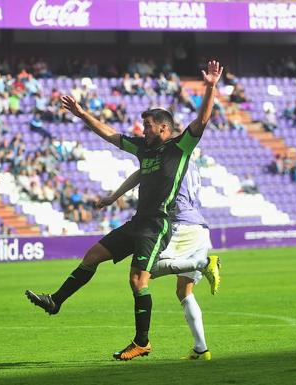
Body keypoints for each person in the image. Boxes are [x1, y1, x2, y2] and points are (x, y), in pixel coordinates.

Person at [25, 60, 223, 361]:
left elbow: (203, 119)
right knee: (92, 255)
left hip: (158, 224)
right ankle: (56, 300)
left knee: (138, 281)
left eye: (148, 126)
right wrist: (82, 115)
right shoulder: (143, 149)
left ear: (164, 128)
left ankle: (142, 342)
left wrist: (210, 87)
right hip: (138, 221)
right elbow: (110, 135)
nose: (143, 131)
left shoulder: (178, 148)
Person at [97, 160, 220, 360]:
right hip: (199, 227)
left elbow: (143, 175)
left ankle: (204, 263)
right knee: (184, 291)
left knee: (146, 271)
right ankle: (201, 348)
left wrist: (115, 197)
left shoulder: (171, 160)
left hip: (181, 226)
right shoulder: (193, 164)